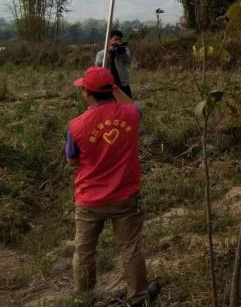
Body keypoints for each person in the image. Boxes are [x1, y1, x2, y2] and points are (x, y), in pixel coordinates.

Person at [65, 67, 159, 306]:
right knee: (130, 248)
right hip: (125, 198)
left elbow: (72, 161)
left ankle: (85, 298)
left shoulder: (76, 125)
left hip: (89, 200)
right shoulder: (130, 114)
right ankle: (138, 297)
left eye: (83, 89)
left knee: (84, 251)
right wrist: (114, 87)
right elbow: (133, 106)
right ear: (112, 90)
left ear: (87, 93)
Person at [95, 30, 133, 98]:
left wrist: (122, 54)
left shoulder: (125, 50)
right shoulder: (101, 53)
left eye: (120, 40)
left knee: (127, 102)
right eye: (116, 39)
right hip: (107, 84)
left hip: (122, 83)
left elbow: (128, 61)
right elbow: (98, 65)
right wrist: (109, 54)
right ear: (109, 40)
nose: (118, 42)